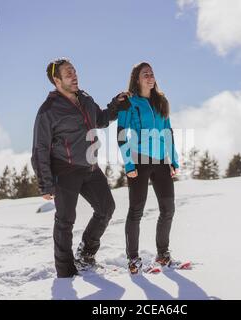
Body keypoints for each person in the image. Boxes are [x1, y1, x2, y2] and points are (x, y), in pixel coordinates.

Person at [31, 57, 130, 278]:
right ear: (57, 80)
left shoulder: (85, 99)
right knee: (65, 221)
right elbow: (40, 148)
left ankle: (86, 253)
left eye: (74, 71)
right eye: (68, 73)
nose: (74, 75)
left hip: (90, 166)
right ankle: (65, 272)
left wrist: (116, 105)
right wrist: (45, 183)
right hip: (64, 170)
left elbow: (101, 119)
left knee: (106, 209)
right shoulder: (48, 110)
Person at [117, 62, 180, 274]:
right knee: (136, 211)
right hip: (139, 160)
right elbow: (121, 134)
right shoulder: (129, 102)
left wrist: (174, 159)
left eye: (152, 74)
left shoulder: (161, 101)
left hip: (162, 161)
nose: (150, 77)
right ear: (137, 79)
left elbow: (168, 131)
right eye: (145, 74)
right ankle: (133, 259)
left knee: (168, 209)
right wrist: (128, 163)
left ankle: (163, 255)